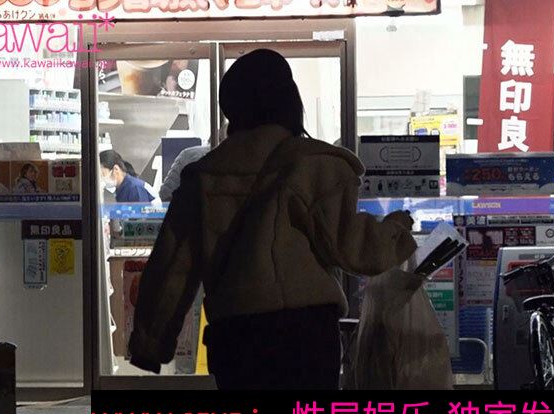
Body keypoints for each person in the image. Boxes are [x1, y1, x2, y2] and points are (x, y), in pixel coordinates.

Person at [128, 49, 417, 389]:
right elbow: (355, 248)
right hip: (305, 336)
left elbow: (172, 267)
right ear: (290, 101)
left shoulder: (203, 177)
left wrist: (151, 342)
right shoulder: (313, 165)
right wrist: (396, 231)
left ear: (231, 105)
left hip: (235, 336)